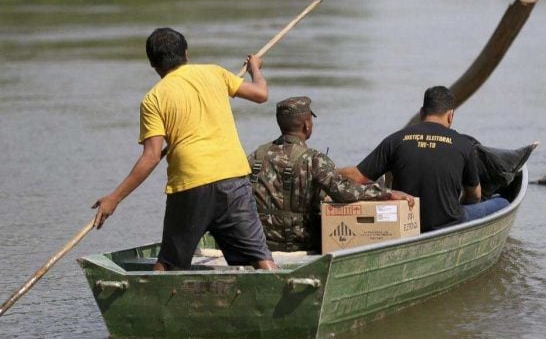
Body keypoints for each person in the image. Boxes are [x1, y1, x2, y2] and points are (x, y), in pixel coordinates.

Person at [92, 27, 277, 271]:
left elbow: (150, 157)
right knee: (260, 258)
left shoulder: (154, 98)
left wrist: (114, 198)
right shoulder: (215, 73)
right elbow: (261, 94)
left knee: (168, 264)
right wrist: (255, 68)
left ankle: (151, 302)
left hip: (191, 183)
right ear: (186, 53)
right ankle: (277, 288)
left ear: (152, 64)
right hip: (233, 178)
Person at [248, 96, 414, 253]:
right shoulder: (314, 159)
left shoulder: (256, 156)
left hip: (262, 243)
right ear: (306, 125)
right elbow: (343, 192)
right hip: (302, 244)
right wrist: (387, 193)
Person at [339, 86, 509, 232]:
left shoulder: (396, 140)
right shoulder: (464, 145)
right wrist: (459, 204)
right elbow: (474, 196)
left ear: (421, 112)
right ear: (450, 115)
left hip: (407, 223)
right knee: (502, 201)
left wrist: (319, 167)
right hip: (449, 223)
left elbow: (357, 176)